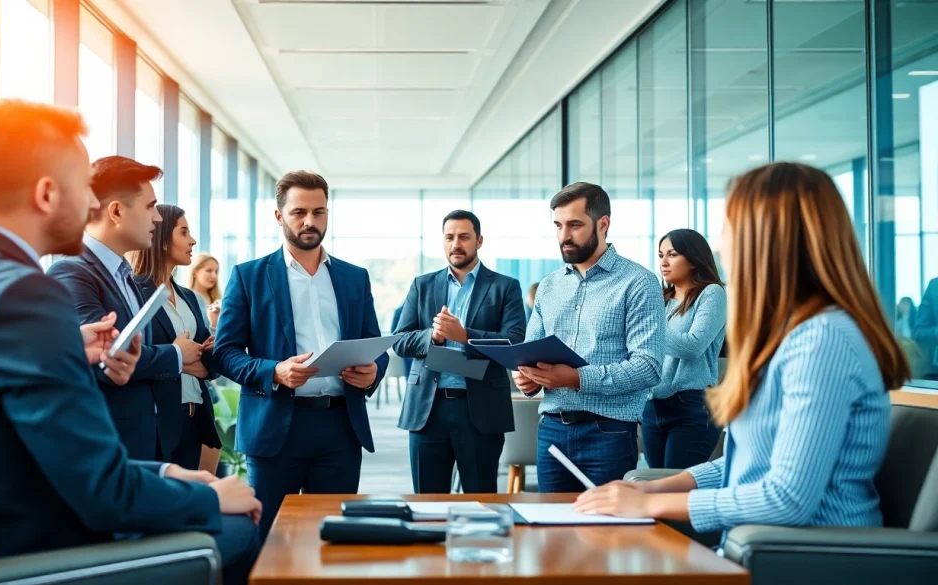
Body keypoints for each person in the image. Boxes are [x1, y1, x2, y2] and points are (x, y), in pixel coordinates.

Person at [0, 98, 262, 585]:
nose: (93, 205)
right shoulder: (25, 296)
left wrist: (167, 473)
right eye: (84, 188)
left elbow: (9, 440)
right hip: (28, 550)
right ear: (47, 194)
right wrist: (209, 495)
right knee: (240, 525)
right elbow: (103, 492)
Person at [575, 162, 910, 540]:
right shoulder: (790, 336)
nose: (719, 245)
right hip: (761, 543)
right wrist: (651, 489)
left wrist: (650, 505)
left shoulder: (822, 340)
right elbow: (745, 464)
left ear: (767, 239)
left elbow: (787, 499)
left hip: (810, 554)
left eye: (727, 228)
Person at [213, 170, 388, 539]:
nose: (310, 221)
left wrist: (373, 371)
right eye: (299, 212)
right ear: (279, 216)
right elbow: (225, 353)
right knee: (270, 540)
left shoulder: (354, 277)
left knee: (335, 539)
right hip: (276, 426)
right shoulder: (248, 276)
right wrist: (274, 371)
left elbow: (374, 343)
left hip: (340, 428)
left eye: (318, 212)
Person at [49, 156, 206, 461]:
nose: (157, 219)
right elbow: (108, 355)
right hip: (108, 443)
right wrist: (175, 355)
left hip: (148, 439)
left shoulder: (125, 277)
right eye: (150, 207)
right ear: (117, 211)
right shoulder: (72, 273)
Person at [513, 182, 665, 491]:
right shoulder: (549, 286)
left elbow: (648, 367)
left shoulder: (639, 282)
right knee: (550, 522)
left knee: (604, 522)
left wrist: (575, 378)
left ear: (603, 224)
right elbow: (530, 352)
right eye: (558, 226)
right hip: (551, 430)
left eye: (574, 225)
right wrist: (528, 379)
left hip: (608, 433)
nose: (564, 236)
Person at [393, 210, 527, 493]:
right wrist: (432, 336)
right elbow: (400, 341)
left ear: (479, 241)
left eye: (464, 237)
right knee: (428, 501)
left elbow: (515, 342)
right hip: (428, 409)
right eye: (449, 237)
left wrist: (465, 336)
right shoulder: (422, 285)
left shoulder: (505, 286)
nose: (456, 244)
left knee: (481, 500)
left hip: (480, 408)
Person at [128, 205, 222, 473]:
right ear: (162, 240)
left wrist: (180, 359)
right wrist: (180, 357)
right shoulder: (134, 292)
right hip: (157, 422)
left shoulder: (189, 297)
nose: (192, 241)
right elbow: (134, 356)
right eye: (184, 232)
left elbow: (211, 360)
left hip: (194, 417)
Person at [642, 229, 726, 469]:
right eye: (661, 255)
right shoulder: (659, 299)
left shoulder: (712, 293)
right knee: (656, 482)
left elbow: (692, 346)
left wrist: (647, 330)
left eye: (672, 254)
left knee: (676, 485)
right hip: (652, 405)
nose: (664, 262)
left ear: (693, 259)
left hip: (691, 406)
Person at [188, 252, 222, 333]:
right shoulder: (188, 299)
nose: (214, 276)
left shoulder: (218, 300)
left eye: (216, 271)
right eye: (209, 271)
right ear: (195, 272)